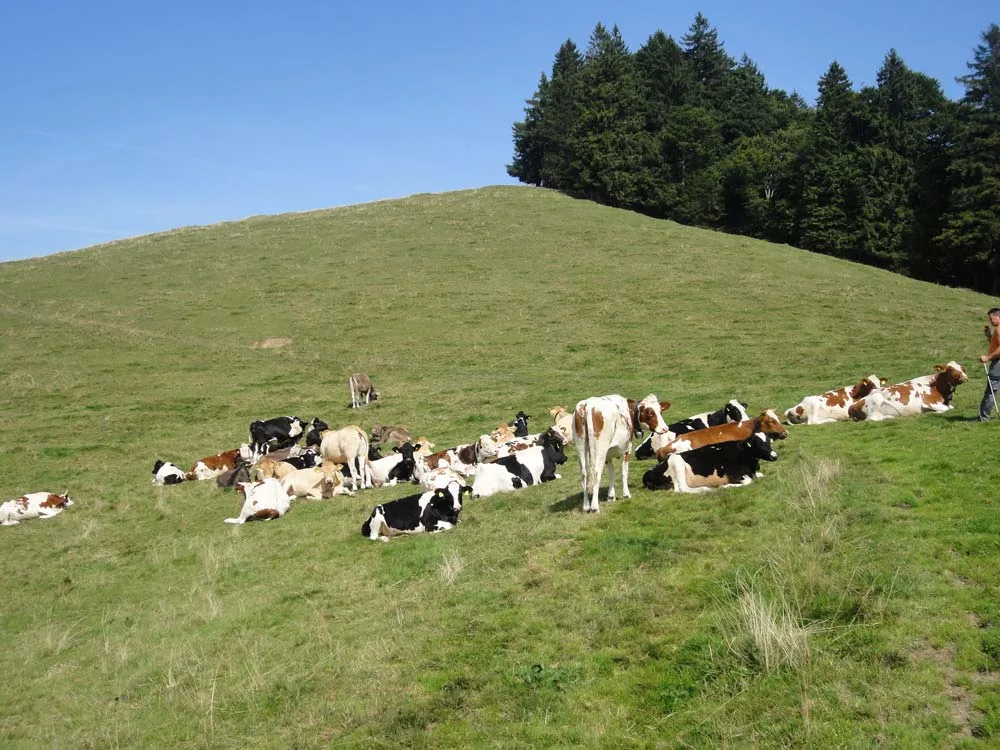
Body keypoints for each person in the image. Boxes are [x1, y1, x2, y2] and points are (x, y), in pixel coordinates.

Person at [978, 308, 1000, 421]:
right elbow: (996, 345)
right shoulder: (996, 330)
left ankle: (984, 417)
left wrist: (988, 357)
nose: (990, 321)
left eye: (991, 318)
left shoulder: (999, 329)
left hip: (998, 363)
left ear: (998, 317)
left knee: (991, 389)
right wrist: (989, 336)